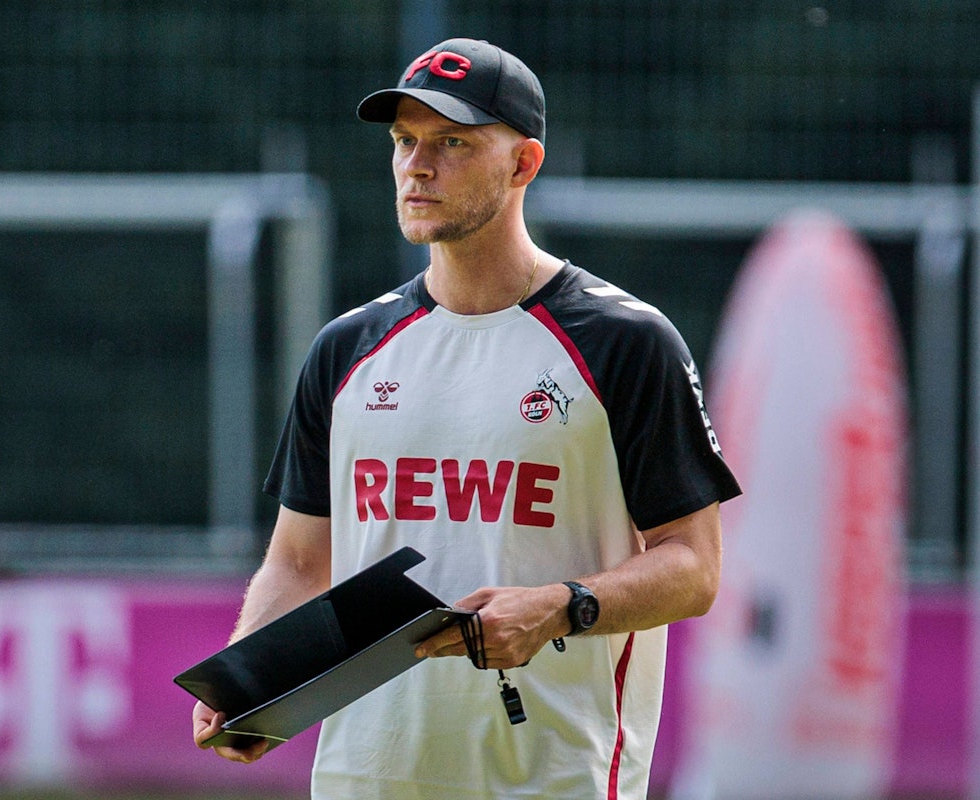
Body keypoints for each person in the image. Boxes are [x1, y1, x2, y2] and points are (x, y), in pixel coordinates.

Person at [192, 37, 741, 799]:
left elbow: (694, 567)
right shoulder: (346, 348)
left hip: (551, 777)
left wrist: (558, 607)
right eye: (403, 141)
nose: (417, 165)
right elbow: (297, 561)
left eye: (451, 142)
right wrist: (249, 675)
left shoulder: (624, 341)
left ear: (522, 164)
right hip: (366, 777)